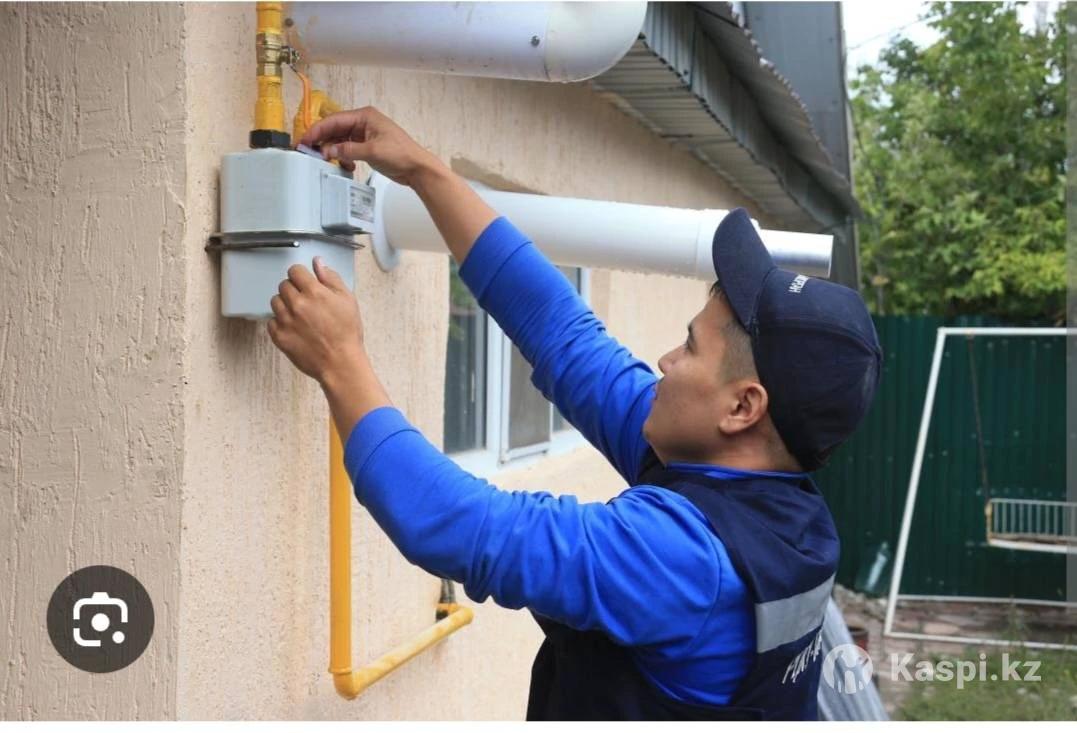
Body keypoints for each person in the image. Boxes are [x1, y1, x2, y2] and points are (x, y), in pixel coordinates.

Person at [268, 106, 883, 720]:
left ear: (743, 407)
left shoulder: (685, 562)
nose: (666, 361)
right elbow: (565, 336)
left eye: (691, 346)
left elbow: (460, 526)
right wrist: (425, 172)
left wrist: (340, 362)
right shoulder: (769, 496)